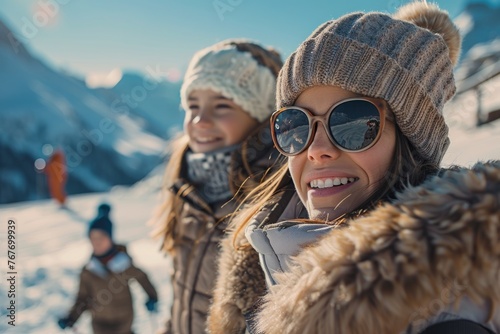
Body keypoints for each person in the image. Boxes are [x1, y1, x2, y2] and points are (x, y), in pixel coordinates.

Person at [208, 2, 500, 334]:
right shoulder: (259, 266)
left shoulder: (448, 312)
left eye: (354, 122)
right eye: (295, 125)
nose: (316, 150)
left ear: (412, 144)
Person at [152, 39, 283, 334]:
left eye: (222, 105)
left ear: (261, 117)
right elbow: (182, 293)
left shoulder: (274, 200)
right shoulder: (187, 188)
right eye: (193, 105)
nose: (200, 120)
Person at [58, 203, 159, 334]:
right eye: (93, 238)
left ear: (110, 238)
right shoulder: (88, 271)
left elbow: (142, 278)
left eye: (101, 237)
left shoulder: (123, 263)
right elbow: (82, 298)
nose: (97, 242)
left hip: (124, 322)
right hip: (99, 324)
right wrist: (71, 318)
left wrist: (152, 297)